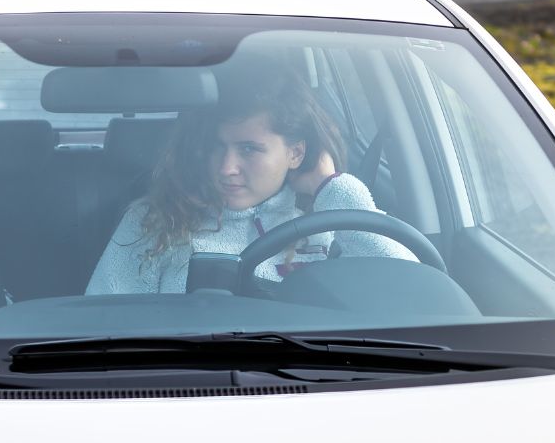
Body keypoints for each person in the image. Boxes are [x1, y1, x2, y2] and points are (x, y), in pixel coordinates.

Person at [86, 67, 414, 295]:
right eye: (217, 146)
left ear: (296, 153)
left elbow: (413, 291)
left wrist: (332, 187)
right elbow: (102, 323)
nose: (227, 168)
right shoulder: (155, 220)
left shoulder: (331, 221)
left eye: (249, 149)